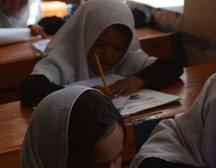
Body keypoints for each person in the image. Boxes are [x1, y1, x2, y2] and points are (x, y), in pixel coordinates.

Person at [19, 0, 183, 107]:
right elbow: (30, 89)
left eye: (118, 48)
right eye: (100, 44)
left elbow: (173, 66)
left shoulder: (127, 58)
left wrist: (139, 79)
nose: (108, 56)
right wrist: (83, 95)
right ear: (85, 36)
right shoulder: (62, 59)